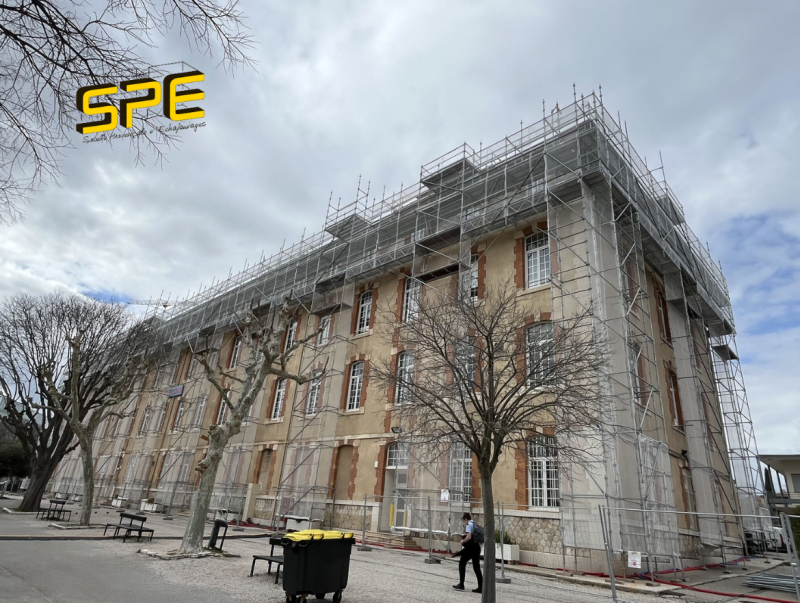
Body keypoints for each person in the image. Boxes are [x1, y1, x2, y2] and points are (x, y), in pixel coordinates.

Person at [453, 512, 482, 593]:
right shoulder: (474, 524)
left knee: (462, 563)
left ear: (466, 519)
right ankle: (481, 586)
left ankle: (461, 584)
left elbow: (469, 537)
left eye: (464, 521)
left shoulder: (469, 525)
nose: (464, 523)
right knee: (476, 567)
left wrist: (463, 541)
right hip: (476, 547)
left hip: (471, 548)